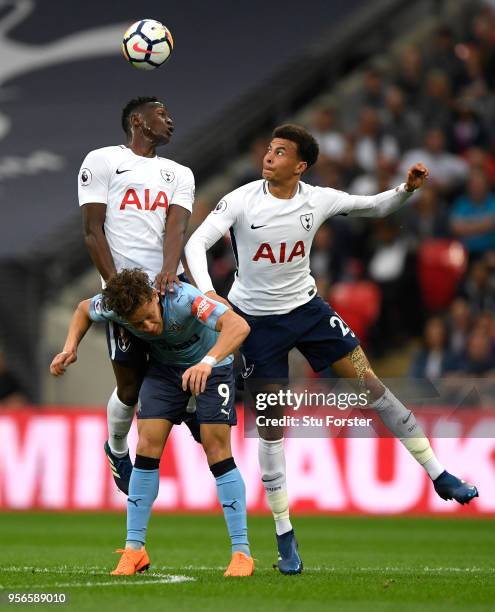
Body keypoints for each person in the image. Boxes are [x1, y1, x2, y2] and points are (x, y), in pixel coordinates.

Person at [184, 123, 479, 575]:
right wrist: (209, 295)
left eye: (280, 152)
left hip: (308, 311)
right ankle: (284, 533)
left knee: (371, 384)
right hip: (256, 324)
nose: (269, 156)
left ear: (300, 165)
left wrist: (407, 189)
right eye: (269, 149)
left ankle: (439, 474)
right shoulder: (241, 200)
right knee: (270, 426)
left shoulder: (317, 198)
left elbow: (374, 207)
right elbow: (196, 243)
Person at [50, 268, 253, 577]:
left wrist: (207, 362)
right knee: (146, 444)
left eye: (148, 316)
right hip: (166, 372)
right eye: (138, 324)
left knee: (217, 449)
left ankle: (241, 554)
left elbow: (238, 326)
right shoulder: (115, 307)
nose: (148, 326)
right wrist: (69, 347)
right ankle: (134, 550)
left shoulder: (185, 299)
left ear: (154, 296)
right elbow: (82, 309)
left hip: (211, 368)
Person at [78, 96, 197, 494]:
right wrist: (116, 289)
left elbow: (176, 229)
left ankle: (197, 415)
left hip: (167, 288)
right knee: (129, 388)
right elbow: (93, 232)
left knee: (187, 370)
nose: (170, 119)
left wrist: (168, 269)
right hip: (124, 294)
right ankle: (115, 448)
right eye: (161, 113)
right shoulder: (102, 160)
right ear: (137, 120)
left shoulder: (179, 173)